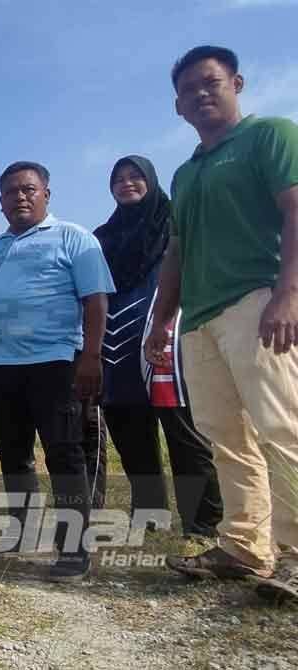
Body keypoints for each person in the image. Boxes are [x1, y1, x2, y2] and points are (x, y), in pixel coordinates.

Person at [145, 45, 298, 603]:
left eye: (210, 83)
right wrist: (161, 322)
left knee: (282, 427)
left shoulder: (271, 135)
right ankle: (245, 547)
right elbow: (176, 252)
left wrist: (289, 293)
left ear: (237, 82)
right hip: (200, 319)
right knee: (224, 437)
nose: (200, 94)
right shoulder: (186, 174)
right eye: (188, 91)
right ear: (178, 107)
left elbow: (295, 209)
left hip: (260, 300)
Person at [0, 161, 115, 582]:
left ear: (46, 193)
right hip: (2, 365)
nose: (20, 197)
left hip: (56, 361)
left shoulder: (74, 238)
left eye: (28, 189)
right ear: (1, 202)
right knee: (12, 452)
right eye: (10, 192)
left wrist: (92, 357)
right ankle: (23, 530)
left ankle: (73, 549)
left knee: (64, 453)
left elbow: (95, 301)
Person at [94, 155, 223, 538]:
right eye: (119, 178)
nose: (127, 183)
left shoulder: (172, 222)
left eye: (135, 176)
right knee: (129, 432)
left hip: (166, 334)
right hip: (116, 338)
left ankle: (203, 523)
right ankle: (149, 512)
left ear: (151, 180)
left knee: (182, 431)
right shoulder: (103, 236)